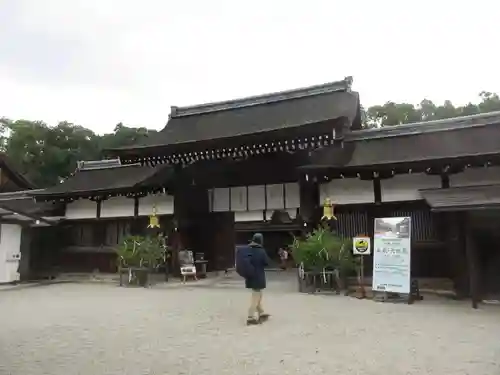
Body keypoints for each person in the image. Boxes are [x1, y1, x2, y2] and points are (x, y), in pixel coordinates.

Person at [236, 233, 271, 325]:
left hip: (250, 276)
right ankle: (250, 317)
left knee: (258, 294)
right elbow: (267, 262)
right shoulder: (261, 251)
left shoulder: (248, 250)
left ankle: (261, 312)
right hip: (258, 276)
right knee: (256, 296)